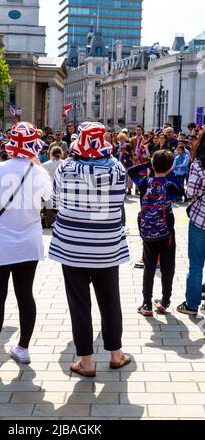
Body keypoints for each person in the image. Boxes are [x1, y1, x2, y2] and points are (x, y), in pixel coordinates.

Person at [49, 122, 131, 377]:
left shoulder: (65, 167)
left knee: (79, 304)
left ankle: (86, 361)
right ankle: (116, 354)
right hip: (106, 246)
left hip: (72, 247)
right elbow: (120, 203)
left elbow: (54, 201)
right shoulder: (117, 168)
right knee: (110, 301)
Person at [0, 122, 52, 369]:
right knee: (26, 296)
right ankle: (23, 349)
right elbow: (48, 198)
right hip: (29, 243)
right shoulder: (39, 173)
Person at [130, 151, 182, 317]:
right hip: (166, 233)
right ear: (169, 167)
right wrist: (169, 173)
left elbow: (131, 171)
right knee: (168, 267)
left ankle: (146, 303)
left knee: (149, 267)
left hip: (147, 233)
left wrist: (149, 164)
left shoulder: (145, 182)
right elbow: (180, 193)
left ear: (153, 164)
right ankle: (165, 301)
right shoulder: (168, 184)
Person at [177, 131, 205, 316]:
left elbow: (190, 191)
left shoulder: (199, 165)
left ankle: (192, 305)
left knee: (196, 264)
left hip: (200, 219)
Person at [42, 146, 64, 227]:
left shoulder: (45, 165)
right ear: (61, 153)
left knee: (50, 212)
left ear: (51, 153)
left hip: (49, 192)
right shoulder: (66, 164)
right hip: (62, 192)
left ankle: (50, 224)